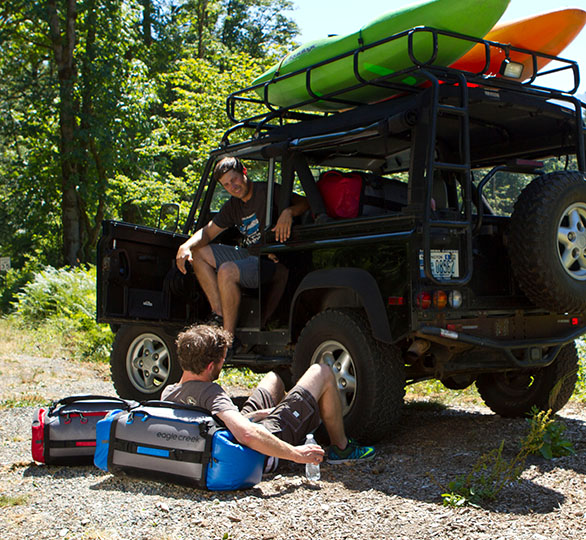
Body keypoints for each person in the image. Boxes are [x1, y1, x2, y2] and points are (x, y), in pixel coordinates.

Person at [161, 324, 376, 471]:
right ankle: (341, 448)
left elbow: (216, 425)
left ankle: (296, 412)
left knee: (273, 380)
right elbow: (246, 435)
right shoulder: (211, 393)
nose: (222, 365)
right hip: (263, 446)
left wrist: (256, 415)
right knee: (323, 372)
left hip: (229, 434)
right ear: (209, 367)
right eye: (221, 362)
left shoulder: (169, 392)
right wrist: (296, 454)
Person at [175, 157, 309, 338]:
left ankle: (227, 339)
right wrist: (185, 246)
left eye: (234, 179)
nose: (232, 186)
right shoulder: (233, 206)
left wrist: (288, 212)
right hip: (249, 255)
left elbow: (305, 202)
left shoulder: (267, 191)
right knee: (198, 252)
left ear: (244, 172)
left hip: (270, 260)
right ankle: (219, 314)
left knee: (227, 270)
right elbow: (208, 232)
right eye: (227, 185)